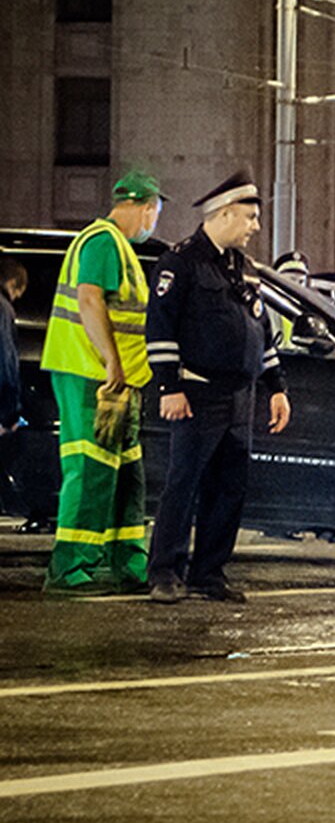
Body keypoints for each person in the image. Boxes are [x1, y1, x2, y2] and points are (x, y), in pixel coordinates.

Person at [145, 170, 290, 604]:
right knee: (184, 483)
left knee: (229, 487)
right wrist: (169, 386)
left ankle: (210, 573)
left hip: (240, 396)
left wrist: (276, 387)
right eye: (249, 217)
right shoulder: (181, 262)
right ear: (225, 213)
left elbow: (260, 333)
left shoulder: (243, 268)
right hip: (197, 393)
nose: (255, 226)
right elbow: (160, 328)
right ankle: (165, 572)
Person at [40, 171, 166, 595]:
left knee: (125, 471)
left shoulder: (118, 248)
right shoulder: (103, 242)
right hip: (91, 374)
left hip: (117, 380)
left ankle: (126, 559)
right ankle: (69, 565)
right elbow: (89, 298)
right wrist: (112, 361)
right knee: (90, 467)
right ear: (146, 207)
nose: (154, 221)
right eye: (155, 212)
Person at [0, 258, 28, 435]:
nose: (16, 299)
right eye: (18, 293)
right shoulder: (3, 308)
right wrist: (9, 415)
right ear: (11, 283)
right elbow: (6, 361)